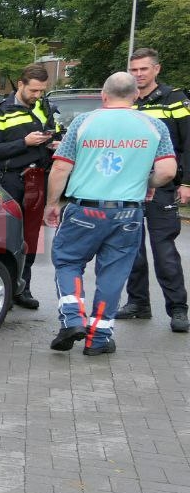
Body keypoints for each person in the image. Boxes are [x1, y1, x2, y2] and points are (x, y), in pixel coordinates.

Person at [44, 71, 177, 355]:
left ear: (103, 96)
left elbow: (60, 167)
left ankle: (72, 318)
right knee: (113, 274)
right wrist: (146, 183)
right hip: (127, 213)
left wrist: (52, 203)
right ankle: (99, 339)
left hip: (84, 210)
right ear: (136, 96)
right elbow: (167, 171)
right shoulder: (154, 126)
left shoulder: (83, 122)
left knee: (68, 262)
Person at [113, 48, 190, 332]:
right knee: (132, 249)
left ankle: (178, 310)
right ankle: (138, 303)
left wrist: (186, 183)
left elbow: (188, 142)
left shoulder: (175, 100)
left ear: (156, 69)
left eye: (143, 69)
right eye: (134, 70)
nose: (138, 75)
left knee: (164, 251)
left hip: (164, 187)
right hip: (129, 188)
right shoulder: (127, 101)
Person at [0, 63, 61, 309]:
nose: (37, 96)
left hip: (38, 179)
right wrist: (24, 142)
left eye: (42, 91)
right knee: (6, 237)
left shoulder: (43, 108)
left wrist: (56, 143)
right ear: (21, 84)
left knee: (31, 238)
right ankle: (1, 288)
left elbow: (55, 133)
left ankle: (23, 287)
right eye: (33, 91)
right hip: (11, 180)